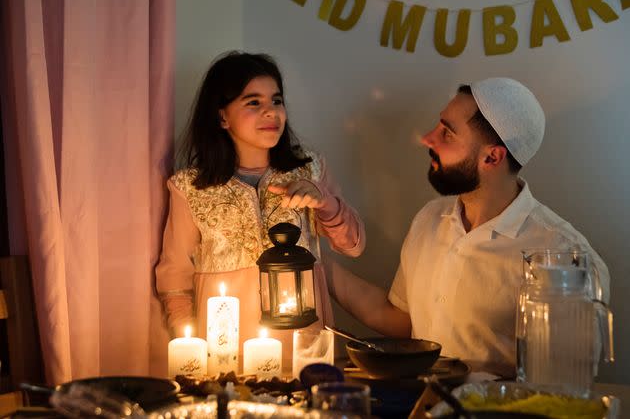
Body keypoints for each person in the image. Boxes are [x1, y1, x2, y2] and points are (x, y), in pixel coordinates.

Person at [328, 77, 609, 377]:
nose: (427, 139)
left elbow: (566, 382)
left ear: (492, 156)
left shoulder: (564, 257)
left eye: (446, 133)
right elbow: (402, 320)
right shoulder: (429, 219)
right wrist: (314, 262)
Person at [156, 51, 365, 369]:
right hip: (226, 355)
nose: (271, 112)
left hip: (302, 349)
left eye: (277, 100)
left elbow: (353, 245)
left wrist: (324, 202)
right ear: (222, 116)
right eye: (253, 102)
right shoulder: (190, 188)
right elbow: (174, 279)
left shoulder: (309, 170)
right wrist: (192, 347)